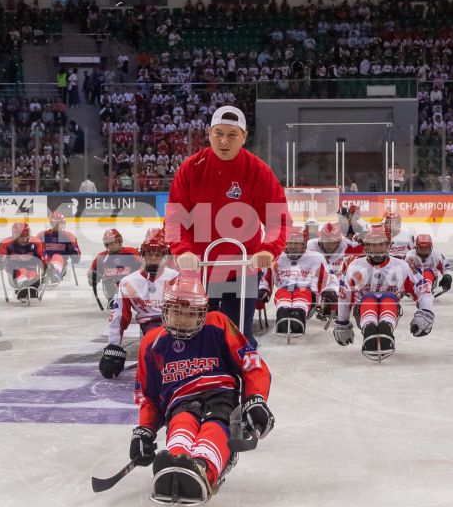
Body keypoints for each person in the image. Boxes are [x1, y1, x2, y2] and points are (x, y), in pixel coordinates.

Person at [132, 274, 273, 507]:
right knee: (182, 423)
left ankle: (202, 469)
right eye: (178, 312)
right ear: (165, 310)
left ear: (203, 312)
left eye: (191, 314)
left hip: (221, 394)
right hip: (180, 401)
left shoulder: (218, 323)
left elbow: (252, 365)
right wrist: (145, 430)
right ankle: (173, 465)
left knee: (214, 426)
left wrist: (255, 399)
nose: (184, 320)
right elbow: (148, 394)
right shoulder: (151, 342)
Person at [167, 105, 292, 327]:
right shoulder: (191, 168)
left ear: (244, 137)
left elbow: (278, 219)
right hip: (200, 268)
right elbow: (176, 217)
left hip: (242, 269)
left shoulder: (258, 171)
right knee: (197, 332)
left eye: (232, 135)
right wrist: (182, 250)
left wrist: (268, 249)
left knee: (238, 333)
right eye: (219, 134)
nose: (224, 141)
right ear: (209, 134)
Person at [333, 226, 435, 360]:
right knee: (369, 299)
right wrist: (342, 321)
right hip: (363, 309)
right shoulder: (355, 266)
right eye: (373, 245)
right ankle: (369, 327)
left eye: (381, 245)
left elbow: (423, 288)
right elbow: (344, 295)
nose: (377, 249)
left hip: (391, 307)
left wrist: (426, 310)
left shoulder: (402, 266)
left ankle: (385, 326)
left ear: (388, 245)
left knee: (389, 298)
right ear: (367, 246)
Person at [98, 229, 176, 376]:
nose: (153, 258)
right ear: (142, 254)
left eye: (158, 254)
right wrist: (113, 347)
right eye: (149, 253)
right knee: (161, 344)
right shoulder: (128, 282)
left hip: (178, 324)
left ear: (165, 255)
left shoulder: (176, 277)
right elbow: (119, 316)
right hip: (151, 326)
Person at [270, 228, 327, 336]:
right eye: (290, 243)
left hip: (306, 290)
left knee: (301, 297)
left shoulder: (316, 257)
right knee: (283, 299)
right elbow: (266, 276)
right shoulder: (277, 257)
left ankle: (298, 314)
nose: (292, 246)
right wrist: (263, 289)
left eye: (297, 243)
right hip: (284, 289)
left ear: (304, 244)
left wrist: (327, 291)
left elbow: (328, 277)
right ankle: (282, 313)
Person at [0, 220, 45, 301]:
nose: (24, 239)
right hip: (13, 270)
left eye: (26, 236)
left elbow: (42, 258)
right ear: (15, 235)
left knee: (33, 274)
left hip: (31, 268)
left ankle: (30, 283)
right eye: (21, 237)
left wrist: (46, 266)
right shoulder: (6, 243)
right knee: (22, 271)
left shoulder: (36, 242)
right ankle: (23, 284)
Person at [90, 228, 141, 304]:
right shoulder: (101, 257)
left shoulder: (131, 252)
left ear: (120, 241)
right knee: (109, 283)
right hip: (110, 285)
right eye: (110, 243)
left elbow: (143, 267)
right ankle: (112, 300)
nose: (113, 245)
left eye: (115, 242)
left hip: (129, 285)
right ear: (106, 244)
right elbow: (92, 275)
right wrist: (93, 277)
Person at [38, 211, 80, 284]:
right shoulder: (42, 236)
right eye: (61, 223)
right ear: (53, 224)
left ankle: (54, 274)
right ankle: (46, 273)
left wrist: (72, 251)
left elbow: (77, 259)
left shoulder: (69, 237)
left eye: (63, 222)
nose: (63, 225)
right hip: (45, 263)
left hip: (61, 266)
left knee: (57, 256)